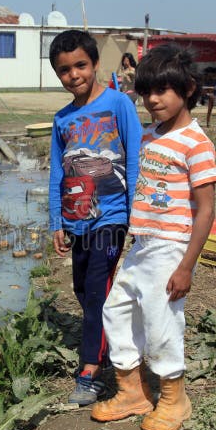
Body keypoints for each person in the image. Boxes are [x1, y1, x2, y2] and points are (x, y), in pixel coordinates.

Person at [91, 44, 216, 430]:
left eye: (163, 90)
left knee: (162, 322)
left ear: (188, 89)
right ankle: (132, 392)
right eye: (147, 91)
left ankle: (174, 398)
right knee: (117, 310)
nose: (152, 99)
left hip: (171, 246)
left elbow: (206, 210)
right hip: (142, 243)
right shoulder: (148, 137)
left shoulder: (196, 144)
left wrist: (186, 267)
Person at [48, 30, 143, 405]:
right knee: (82, 289)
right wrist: (57, 221)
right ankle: (113, 337)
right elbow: (57, 172)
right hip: (77, 218)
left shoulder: (119, 104)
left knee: (96, 289)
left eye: (80, 66)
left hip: (113, 215)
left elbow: (134, 159)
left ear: (95, 64)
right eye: (64, 70)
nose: (74, 75)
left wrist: (136, 215)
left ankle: (92, 368)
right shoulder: (61, 119)